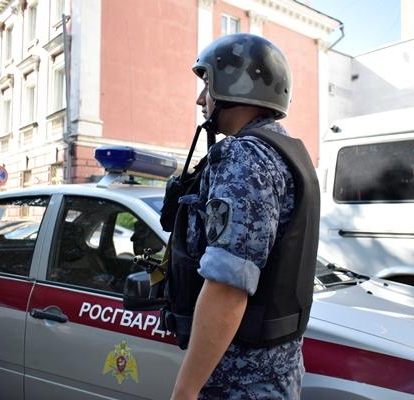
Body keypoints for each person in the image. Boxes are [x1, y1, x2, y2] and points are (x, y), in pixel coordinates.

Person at [161, 33, 320, 399]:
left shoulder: (245, 158)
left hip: (239, 383)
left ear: (236, 87)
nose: (200, 99)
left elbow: (227, 288)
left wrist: (184, 392)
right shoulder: (287, 152)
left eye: (208, 86)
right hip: (276, 371)